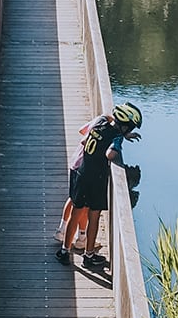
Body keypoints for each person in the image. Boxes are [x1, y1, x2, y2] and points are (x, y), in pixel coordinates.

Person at [56, 101, 142, 271]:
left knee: (76, 213)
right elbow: (110, 155)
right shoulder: (115, 137)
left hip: (81, 174)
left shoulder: (100, 122)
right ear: (125, 127)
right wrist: (119, 143)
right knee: (94, 217)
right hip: (97, 180)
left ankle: (65, 251)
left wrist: (119, 133)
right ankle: (89, 256)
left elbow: (102, 122)